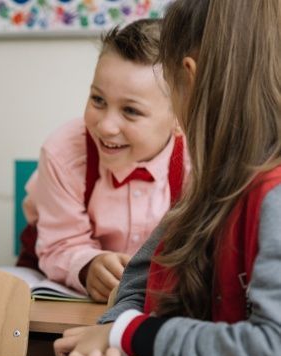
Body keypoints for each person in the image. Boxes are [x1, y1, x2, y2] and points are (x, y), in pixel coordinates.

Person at [54, 0, 281, 356]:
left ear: (188, 80)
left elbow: (273, 355)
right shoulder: (213, 186)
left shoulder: (271, 196)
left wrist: (132, 335)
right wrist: (115, 331)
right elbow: (139, 282)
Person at [16, 18, 188, 302]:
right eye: (98, 100)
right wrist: (87, 266)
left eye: (131, 110)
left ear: (181, 119)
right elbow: (60, 243)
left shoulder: (201, 161)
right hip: (60, 271)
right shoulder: (63, 152)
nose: (106, 126)